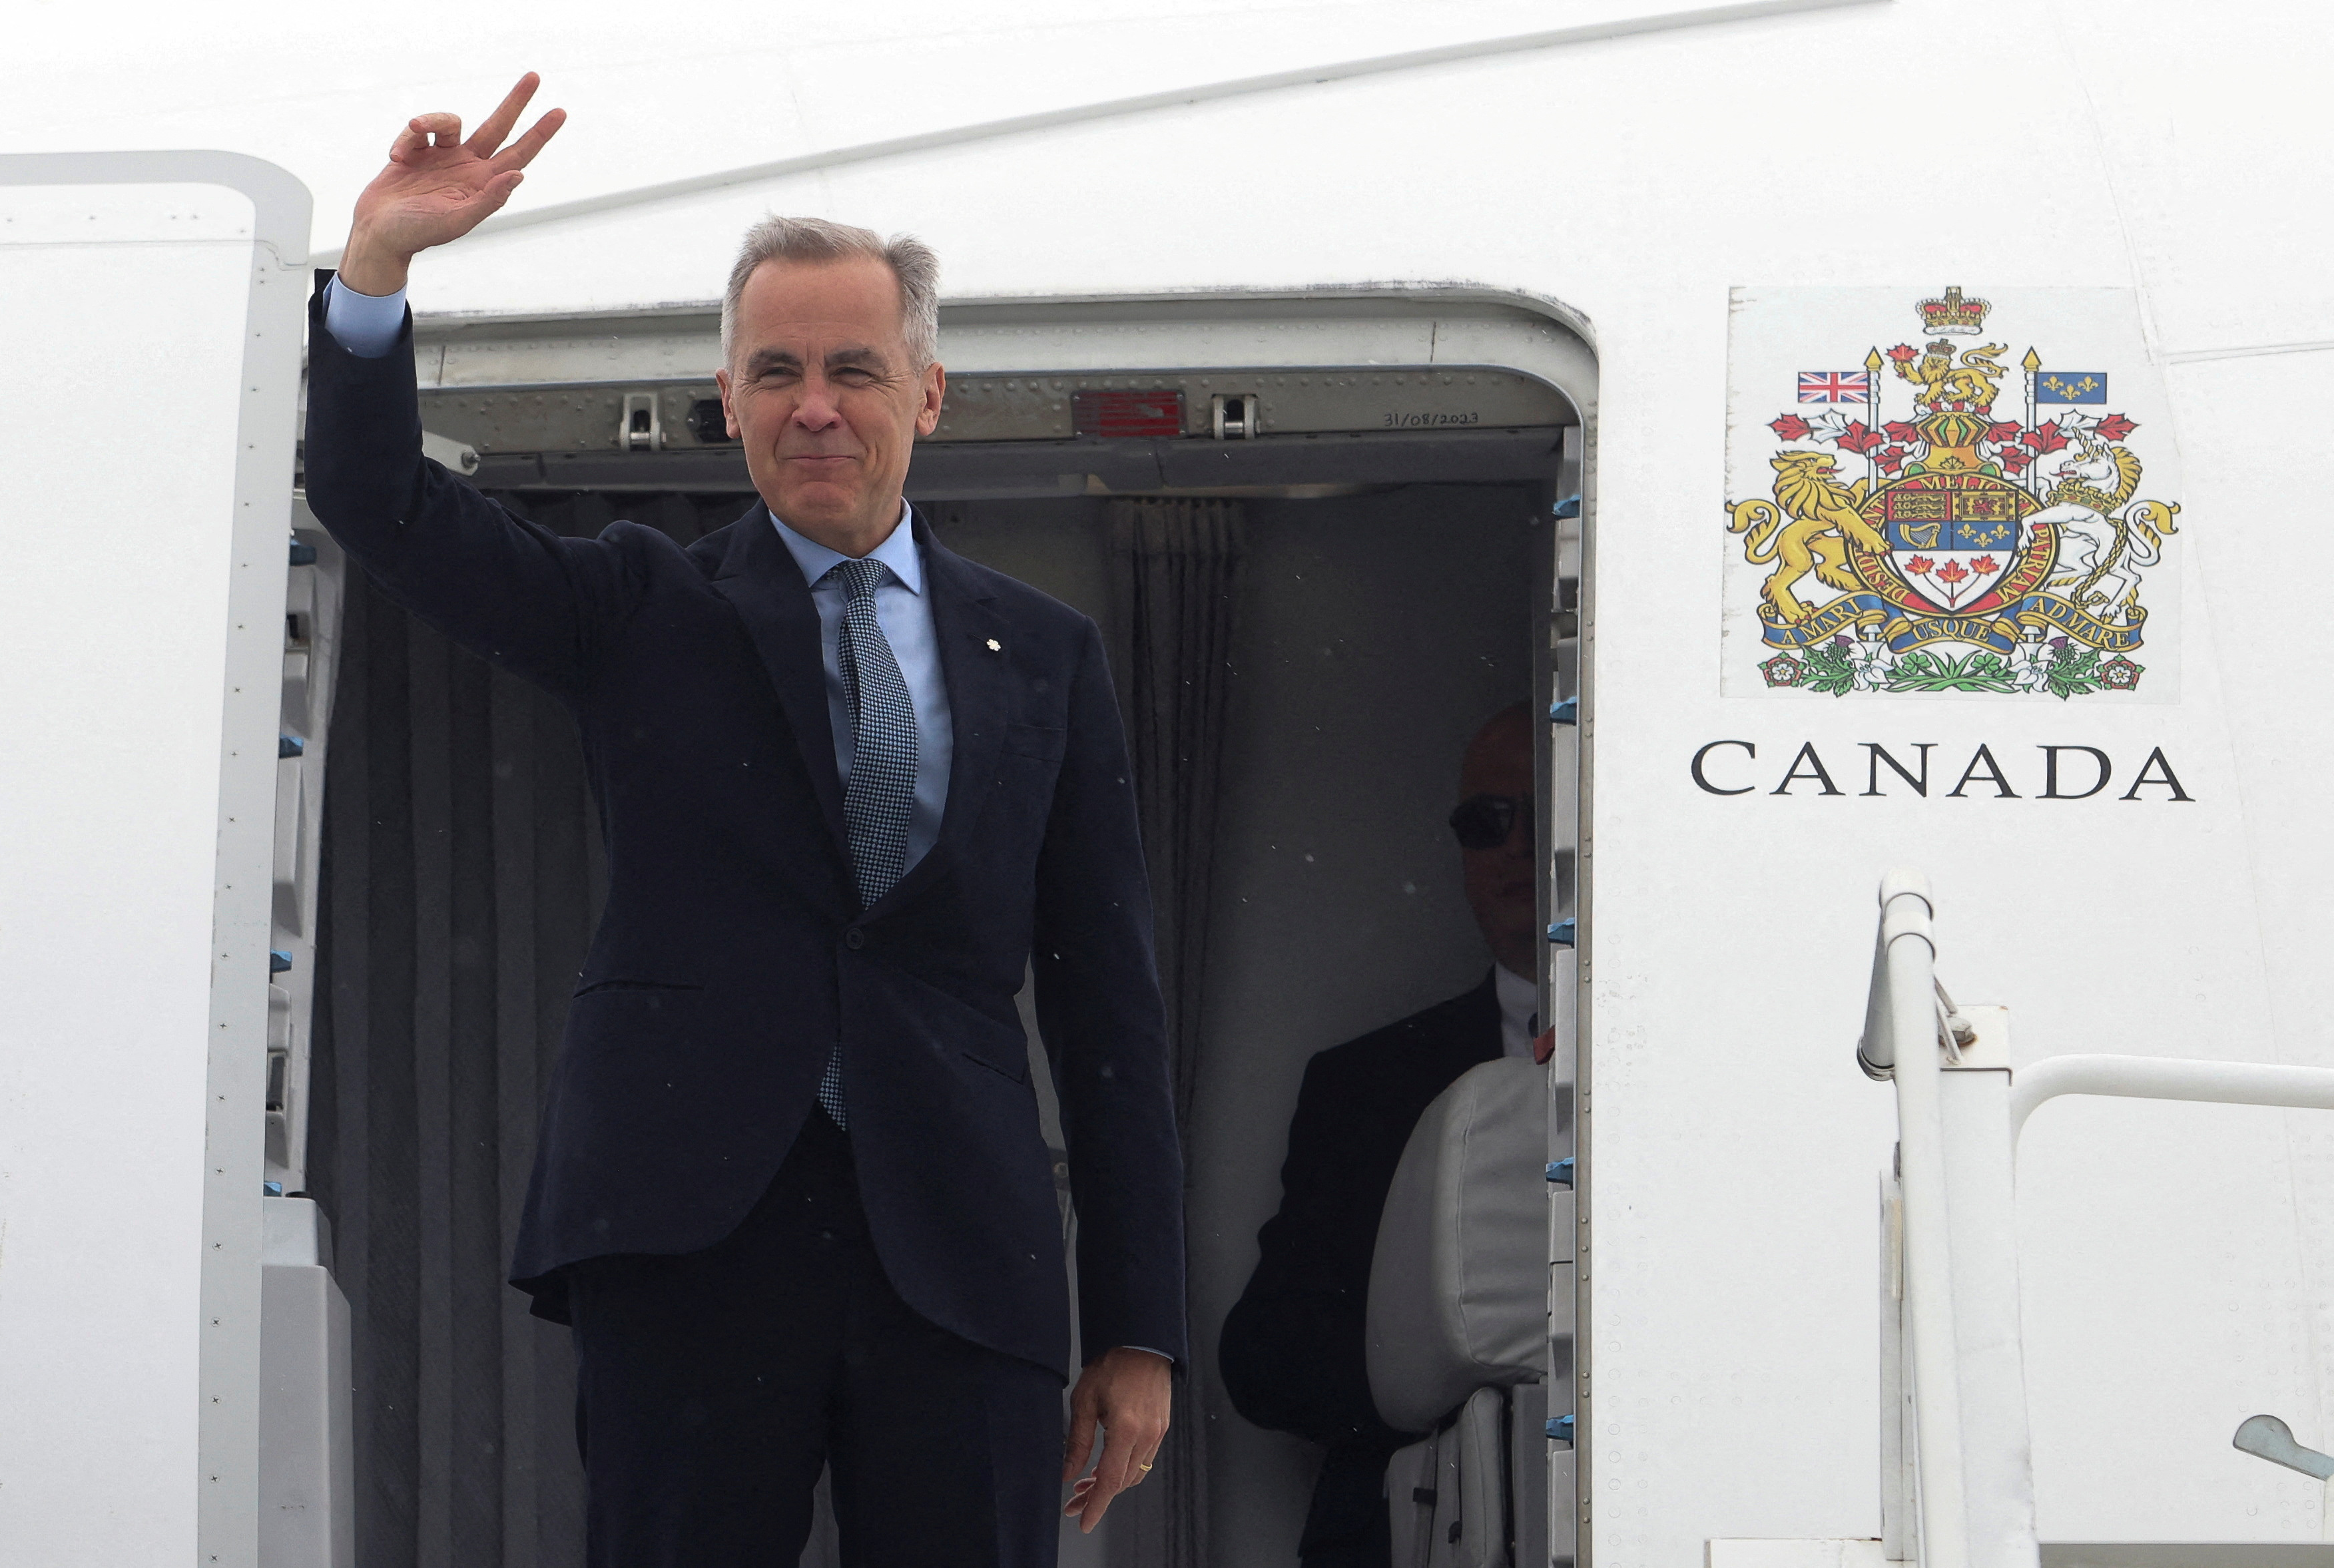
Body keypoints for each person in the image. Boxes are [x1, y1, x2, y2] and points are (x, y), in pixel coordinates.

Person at [306, 75, 1183, 1567]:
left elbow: (1110, 1005)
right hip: (692, 1239)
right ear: (730, 399)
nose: (813, 405)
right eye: (775, 371)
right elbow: (377, 499)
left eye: (853, 368)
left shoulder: (1043, 653)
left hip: (960, 1251)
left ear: (929, 393)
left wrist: (1141, 1326)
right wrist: (377, 269)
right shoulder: (645, 606)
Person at [1219, 700, 1546, 1568]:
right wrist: (1448, 1381)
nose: (1517, 844)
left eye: (1544, 810)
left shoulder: (1694, 1063)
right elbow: (1268, 1354)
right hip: (1420, 1524)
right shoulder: (1365, 1084)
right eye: (1487, 820)